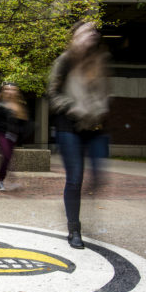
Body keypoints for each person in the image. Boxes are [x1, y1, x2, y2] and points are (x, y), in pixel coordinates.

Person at [48, 21, 111, 249]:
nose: (90, 35)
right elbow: (53, 93)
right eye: (85, 31)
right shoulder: (64, 61)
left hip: (95, 126)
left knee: (99, 177)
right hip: (69, 125)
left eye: (93, 31)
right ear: (74, 37)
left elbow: (105, 91)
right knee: (75, 179)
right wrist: (70, 106)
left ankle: (70, 202)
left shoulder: (100, 61)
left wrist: (100, 109)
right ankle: (74, 228)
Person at [0, 82, 28, 191]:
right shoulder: (0, 105)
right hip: (2, 133)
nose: (9, 91)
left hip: (13, 136)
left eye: (12, 89)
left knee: (8, 158)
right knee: (7, 155)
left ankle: (3, 180)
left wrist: (21, 134)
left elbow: (23, 124)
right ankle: (2, 180)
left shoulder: (19, 106)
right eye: (7, 89)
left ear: (16, 92)